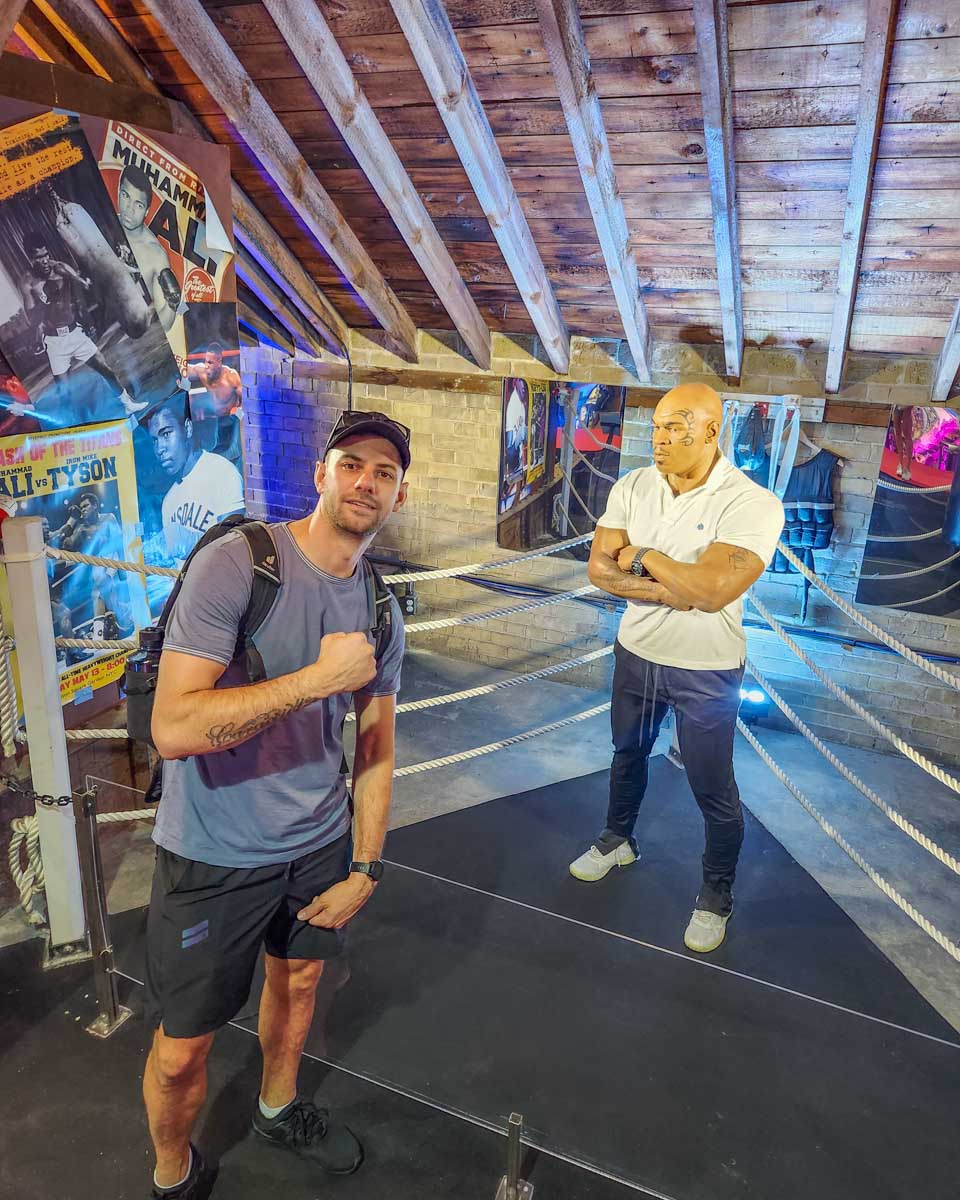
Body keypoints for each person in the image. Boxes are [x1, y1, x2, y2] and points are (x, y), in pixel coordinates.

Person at [143, 410, 411, 1199]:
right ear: (320, 474)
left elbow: (376, 747)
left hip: (317, 843)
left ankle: (277, 1107)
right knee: (181, 1052)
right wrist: (316, 681)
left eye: (385, 473)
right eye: (351, 463)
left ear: (399, 496)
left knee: (298, 988)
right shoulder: (239, 563)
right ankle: (172, 1171)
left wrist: (366, 865)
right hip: (212, 849)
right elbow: (173, 728)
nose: (366, 482)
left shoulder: (380, 608)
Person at [569, 383, 785, 954]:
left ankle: (716, 894)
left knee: (711, 785)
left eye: (676, 427)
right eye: (658, 427)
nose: (660, 439)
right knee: (627, 753)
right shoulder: (634, 485)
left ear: (711, 432)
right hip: (637, 653)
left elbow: (711, 591)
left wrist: (644, 557)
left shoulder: (751, 503)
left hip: (706, 669)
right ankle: (617, 838)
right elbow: (599, 570)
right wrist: (672, 591)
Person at [20, 231, 146, 419]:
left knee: (104, 367)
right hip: (55, 342)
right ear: (31, 259)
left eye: (46, 254)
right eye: (39, 257)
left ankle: (127, 404)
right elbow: (32, 318)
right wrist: (45, 303)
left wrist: (89, 281)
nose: (45, 260)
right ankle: (74, 424)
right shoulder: (28, 283)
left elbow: (84, 284)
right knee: (65, 392)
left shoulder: (61, 268)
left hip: (74, 333)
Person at [143, 396, 244, 561]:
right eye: (155, 440)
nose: (160, 448)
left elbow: (236, 547)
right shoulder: (168, 501)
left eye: (166, 434)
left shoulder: (222, 473)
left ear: (188, 429)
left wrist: (193, 542)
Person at [48, 491, 135, 636]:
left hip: (112, 558)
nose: (83, 509)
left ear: (95, 506)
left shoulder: (108, 519)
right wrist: (73, 520)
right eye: (81, 507)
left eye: (86, 506)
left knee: (100, 586)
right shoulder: (82, 528)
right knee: (99, 595)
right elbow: (66, 544)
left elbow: (118, 543)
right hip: (97, 564)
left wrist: (122, 570)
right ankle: (115, 621)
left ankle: (108, 627)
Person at [115, 164, 181, 333]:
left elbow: (166, 323)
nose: (129, 209)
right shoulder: (104, 224)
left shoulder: (155, 254)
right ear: (118, 192)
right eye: (125, 196)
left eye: (138, 205)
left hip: (138, 332)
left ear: (146, 211)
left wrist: (172, 303)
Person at [183, 342, 242, 417]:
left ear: (219, 363)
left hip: (229, 418)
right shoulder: (201, 371)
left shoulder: (231, 377)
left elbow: (246, 401)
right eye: (206, 361)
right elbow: (183, 369)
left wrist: (237, 415)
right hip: (213, 416)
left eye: (210, 363)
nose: (206, 366)